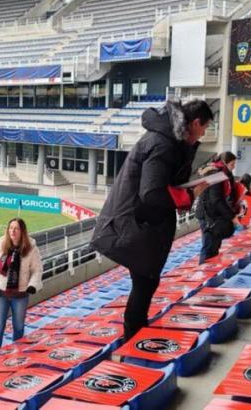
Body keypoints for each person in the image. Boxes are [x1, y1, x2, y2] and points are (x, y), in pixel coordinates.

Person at [90, 100, 213, 340]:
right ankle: (133, 342)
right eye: (204, 127)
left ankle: (135, 338)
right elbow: (151, 193)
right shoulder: (163, 144)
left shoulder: (167, 140)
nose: (204, 133)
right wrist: (188, 194)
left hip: (140, 225)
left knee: (146, 283)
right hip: (135, 226)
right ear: (196, 122)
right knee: (145, 283)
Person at [0, 218, 43, 351]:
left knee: (19, 327)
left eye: (16, 228)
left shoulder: (31, 249)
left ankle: (17, 356)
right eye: (10, 228)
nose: (12, 231)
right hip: (0, 294)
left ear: (22, 231)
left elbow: (37, 270)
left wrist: (32, 285)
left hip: (20, 295)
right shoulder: (1, 245)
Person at [196, 151, 240, 263]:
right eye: (232, 164)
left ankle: (210, 276)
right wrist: (231, 216)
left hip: (214, 215)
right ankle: (204, 276)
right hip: (208, 216)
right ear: (225, 163)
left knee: (214, 248)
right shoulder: (215, 175)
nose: (233, 167)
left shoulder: (224, 174)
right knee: (209, 248)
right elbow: (216, 199)